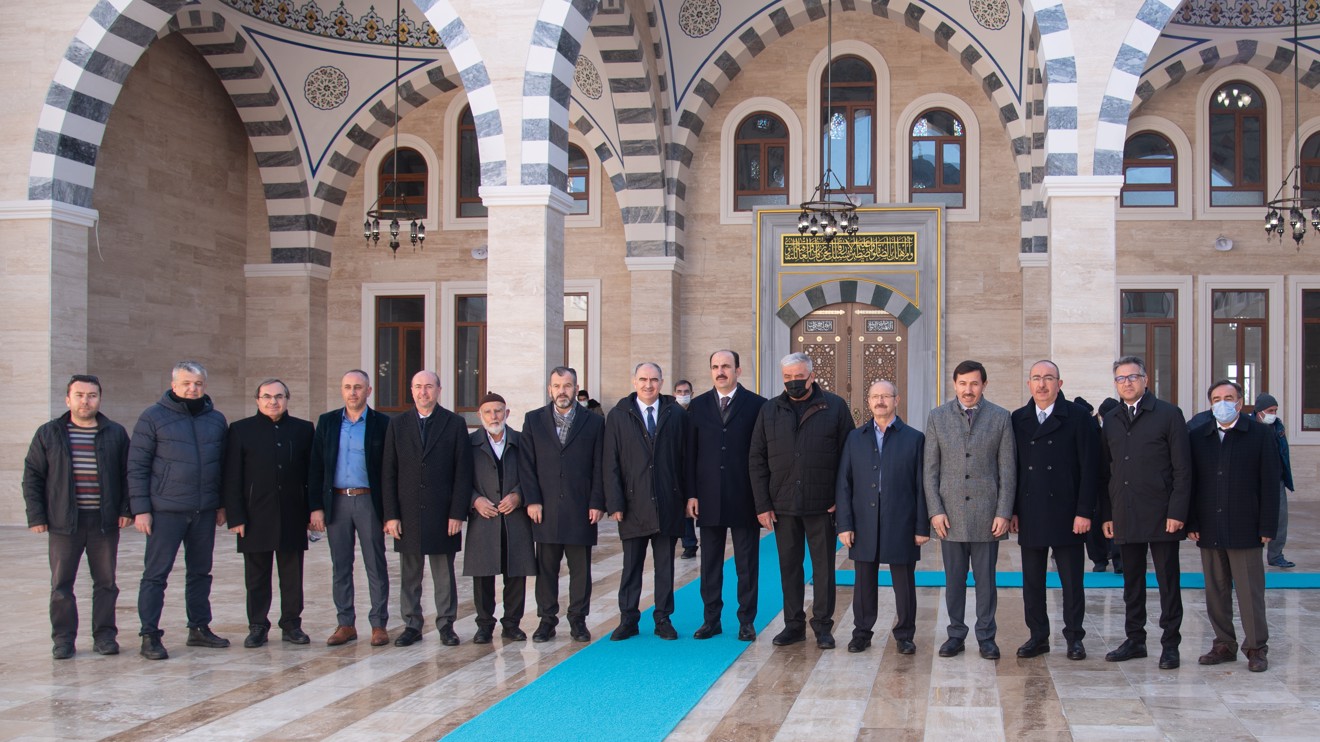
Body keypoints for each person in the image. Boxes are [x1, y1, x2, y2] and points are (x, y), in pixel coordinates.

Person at [750, 352, 854, 649]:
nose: (793, 382)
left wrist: (841, 498)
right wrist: (762, 504)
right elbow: (756, 458)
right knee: (789, 568)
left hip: (822, 505)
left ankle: (822, 626)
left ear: (811, 376)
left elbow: (849, 457)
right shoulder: (770, 410)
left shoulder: (834, 406)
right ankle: (793, 625)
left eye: (799, 377)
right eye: (788, 378)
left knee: (823, 569)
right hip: (782, 506)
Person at [23, 374, 131, 659]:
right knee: (61, 584)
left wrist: (125, 509)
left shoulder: (116, 433)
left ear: (99, 399)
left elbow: (127, 475)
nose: (86, 400)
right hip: (63, 523)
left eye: (92, 395)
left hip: (103, 522)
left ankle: (105, 636)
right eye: (80, 395)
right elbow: (32, 476)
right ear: (68, 399)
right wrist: (36, 516)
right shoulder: (49, 433)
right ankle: (63, 640)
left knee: (106, 583)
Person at [129, 361, 230, 660]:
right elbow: (136, 466)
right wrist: (141, 509)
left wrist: (221, 504)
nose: (192, 388)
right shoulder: (152, 417)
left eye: (198, 383)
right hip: (165, 511)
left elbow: (223, 466)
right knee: (156, 575)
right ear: (173, 385)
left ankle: (198, 628)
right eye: (186, 383)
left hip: (203, 511)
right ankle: (149, 634)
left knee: (200, 573)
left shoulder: (215, 419)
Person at [1100, 355, 1191, 670]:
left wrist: (1177, 511)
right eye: (1121, 378)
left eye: (1133, 377)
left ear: (1146, 379)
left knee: (1167, 581)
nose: (1127, 383)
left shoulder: (1168, 414)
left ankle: (1170, 645)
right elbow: (1106, 470)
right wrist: (1107, 515)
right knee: (1132, 582)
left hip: (1162, 514)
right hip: (1125, 512)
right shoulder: (1111, 418)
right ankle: (1135, 640)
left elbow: (1183, 468)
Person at [924, 359, 1016, 660]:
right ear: (955, 385)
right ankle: (955, 634)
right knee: (954, 581)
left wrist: (1003, 512)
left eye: (974, 384)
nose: (968, 389)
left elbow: (1007, 470)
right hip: (948, 516)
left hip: (987, 516)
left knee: (986, 582)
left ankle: (987, 637)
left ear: (984, 385)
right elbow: (930, 470)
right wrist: (935, 511)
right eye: (963, 384)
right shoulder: (938, 417)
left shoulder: (1001, 418)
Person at [1187, 380, 1280, 672]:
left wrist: (1267, 526)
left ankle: (1256, 647)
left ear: (1240, 403)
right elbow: (1191, 482)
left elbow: (1269, 484)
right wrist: (1192, 520)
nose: (1222, 403)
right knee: (1215, 590)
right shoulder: (1198, 436)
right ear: (1210, 404)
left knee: (1250, 591)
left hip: (1246, 526)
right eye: (1216, 398)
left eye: (1228, 398)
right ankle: (1224, 643)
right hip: (1209, 525)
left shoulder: (1259, 435)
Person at [1009, 361, 1099, 661]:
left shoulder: (1078, 417)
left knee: (1071, 581)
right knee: (1032, 581)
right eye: (1036, 378)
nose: (1042, 384)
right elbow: (1014, 470)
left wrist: (1085, 511)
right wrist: (1013, 510)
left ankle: (1074, 637)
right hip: (1031, 510)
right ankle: (1038, 636)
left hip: (1068, 513)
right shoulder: (1018, 418)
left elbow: (1091, 468)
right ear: (1029, 384)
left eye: (1048, 378)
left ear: (1060, 383)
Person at [835, 380, 928, 654]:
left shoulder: (914, 438)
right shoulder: (855, 438)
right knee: (863, 582)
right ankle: (862, 633)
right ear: (868, 401)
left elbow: (921, 485)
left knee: (904, 583)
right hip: (863, 522)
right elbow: (844, 483)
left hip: (902, 521)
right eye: (875, 396)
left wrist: (922, 526)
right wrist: (844, 524)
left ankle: (905, 635)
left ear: (896, 400)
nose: (880, 401)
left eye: (885, 396)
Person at [382, 370, 472, 647]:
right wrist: (391, 515)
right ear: (411, 391)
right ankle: (411, 624)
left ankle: (446, 625)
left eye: (429, 387)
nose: (423, 392)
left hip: (442, 512)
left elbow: (463, 471)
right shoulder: (397, 424)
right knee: (410, 574)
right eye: (418, 387)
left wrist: (458, 512)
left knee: (443, 574)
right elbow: (388, 472)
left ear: (439, 390)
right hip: (407, 513)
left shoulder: (454, 423)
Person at [223, 379, 315, 648]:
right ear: (257, 400)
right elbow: (232, 477)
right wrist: (236, 516)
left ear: (287, 399)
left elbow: (311, 474)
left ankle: (291, 624)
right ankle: (257, 626)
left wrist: (311, 511)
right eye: (267, 396)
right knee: (256, 576)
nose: (273, 401)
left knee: (292, 575)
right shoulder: (241, 430)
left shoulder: (303, 429)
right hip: (254, 516)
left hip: (292, 514)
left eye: (278, 396)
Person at [685, 350, 767, 641]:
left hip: (744, 495)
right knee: (710, 563)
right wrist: (691, 494)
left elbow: (762, 453)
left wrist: (763, 500)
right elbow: (690, 454)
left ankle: (746, 621)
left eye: (726, 366)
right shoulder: (697, 406)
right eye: (715, 367)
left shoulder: (758, 405)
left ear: (738, 370)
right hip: (708, 497)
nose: (721, 371)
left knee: (747, 563)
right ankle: (711, 620)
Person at [605, 362, 690, 641]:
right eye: (643, 379)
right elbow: (611, 462)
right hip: (632, 504)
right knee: (631, 566)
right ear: (634, 381)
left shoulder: (676, 414)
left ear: (662, 383)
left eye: (653, 380)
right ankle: (628, 618)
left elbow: (685, 459)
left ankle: (663, 618)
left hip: (668, 502)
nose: (648, 385)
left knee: (665, 565)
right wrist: (615, 502)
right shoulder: (618, 416)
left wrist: (688, 496)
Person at [520, 367, 606, 643]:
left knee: (580, 569)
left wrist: (596, 502)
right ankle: (546, 620)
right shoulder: (533, 421)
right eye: (557, 385)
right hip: (544, 509)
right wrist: (532, 500)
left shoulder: (593, 422)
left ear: (576, 387)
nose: (562, 391)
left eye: (567, 386)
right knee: (546, 569)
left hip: (580, 508)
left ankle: (578, 620)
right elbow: (527, 466)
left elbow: (599, 465)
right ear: (549, 389)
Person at [308, 370, 392, 647]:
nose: (353, 392)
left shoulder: (382, 423)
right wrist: (316, 507)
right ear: (342, 391)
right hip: (337, 500)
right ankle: (345, 623)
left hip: (368, 500)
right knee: (340, 564)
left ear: (369, 391)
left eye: (358, 387)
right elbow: (316, 466)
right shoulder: (328, 422)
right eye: (347, 387)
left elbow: (390, 469)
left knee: (375, 563)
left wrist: (390, 511)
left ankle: (378, 624)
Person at [465, 393, 535, 643]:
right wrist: (475, 500)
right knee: (483, 573)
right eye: (488, 412)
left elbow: (533, 473)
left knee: (515, 572)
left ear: (507, 413)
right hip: (483, 517)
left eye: (498, 411)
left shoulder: (522, 441)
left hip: (514, 516)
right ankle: (484, 625)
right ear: (480, 415)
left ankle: (512, 624)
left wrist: (518, 496)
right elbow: (460, 479)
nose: (494, 416)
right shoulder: (469, 444)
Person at [1255, 393, 1296, 568]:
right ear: (1259, 411)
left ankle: (1276, 555)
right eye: (1270, 410)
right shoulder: (1249, 427)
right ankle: (1251, 556)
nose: (1273, 413)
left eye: (1275, 410)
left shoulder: (1277, 427)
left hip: (1276, 479)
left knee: (1280, 519)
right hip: (1254, 480)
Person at [1087, 398, 1123, 574]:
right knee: (1095, 522)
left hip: (1114, 480)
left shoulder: (1118, 425)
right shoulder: (1089, 425)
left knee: (1116, 519)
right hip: (1094, 482)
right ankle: (1099, 560)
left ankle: (1118, 560)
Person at [673, 378, 698, 560]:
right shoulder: (670, 414)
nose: (683, 395)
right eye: (680, 392)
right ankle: (688, 543)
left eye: (686, 392)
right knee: (684, 507)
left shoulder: (698, 412)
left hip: (698, 465)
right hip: (678, 466)